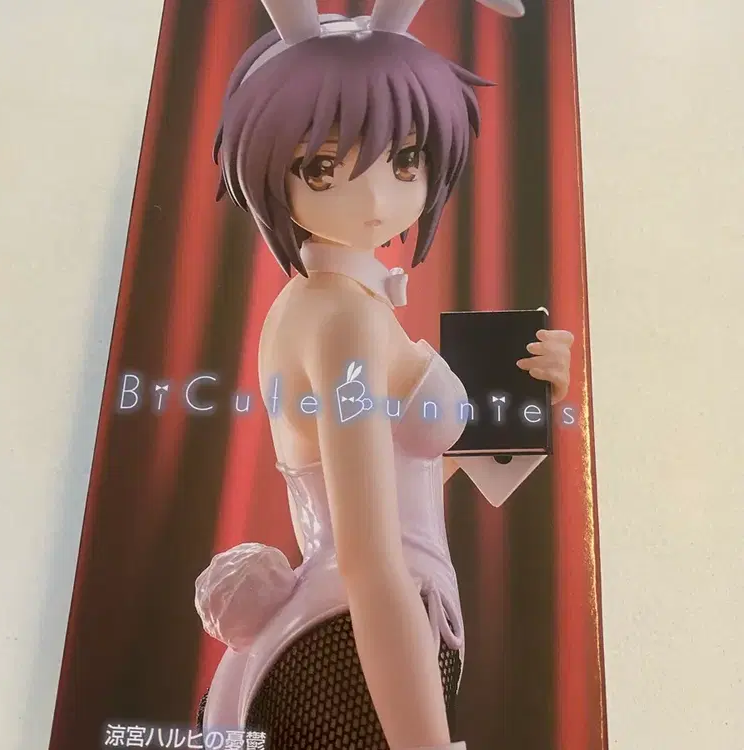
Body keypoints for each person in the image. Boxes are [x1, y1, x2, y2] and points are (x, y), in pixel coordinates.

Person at [194, 2, 574, 749]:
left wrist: (527, 400)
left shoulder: (333, 303)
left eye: (404, 161)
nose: (374, 198)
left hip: (363, 633)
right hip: (355, 646)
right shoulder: (342, 319)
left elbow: (396, 486)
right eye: (323, 167)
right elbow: (370, 560)